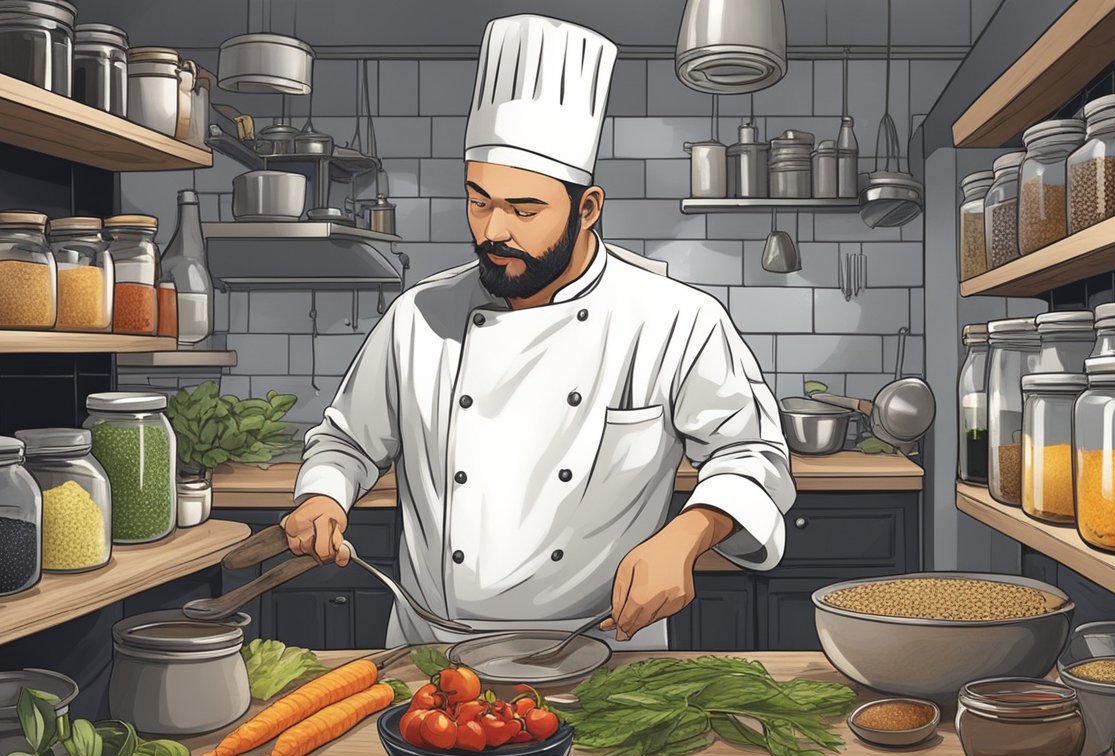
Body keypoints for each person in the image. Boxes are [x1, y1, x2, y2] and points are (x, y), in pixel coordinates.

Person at [283, 14, 795, 650]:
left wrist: (687, 536)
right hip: (433, 655)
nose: (494, 230)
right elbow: (346, 443)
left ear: (587, 208)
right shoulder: (418, 317)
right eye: (479, 200)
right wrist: (323, 496)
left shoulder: (674, 320)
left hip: (604, 650)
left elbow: (751, 455)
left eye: (525, 210)